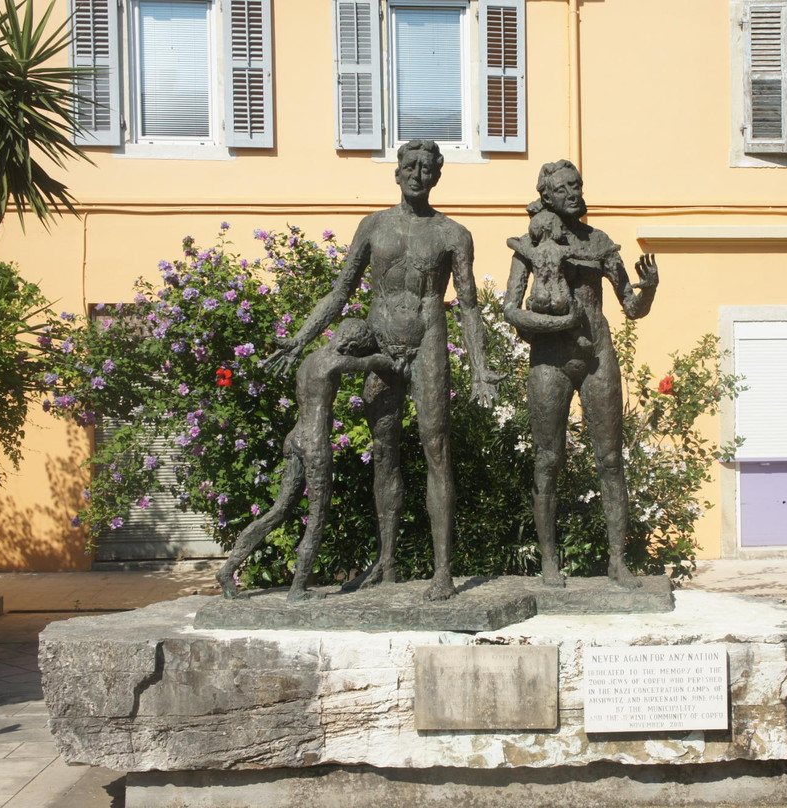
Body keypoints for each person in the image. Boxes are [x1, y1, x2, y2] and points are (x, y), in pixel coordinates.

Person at [255, 140, 499, 601]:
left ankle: (442, 572)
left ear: (437, 176)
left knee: (436, 449)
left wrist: (480, 368)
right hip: (381, 342)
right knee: (385, 454)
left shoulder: (453, 234)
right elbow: (340, 292)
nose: (417, 174)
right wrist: (300, 338)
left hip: (428, 344)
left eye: (427, 168)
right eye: (410, 166)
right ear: (397, 172)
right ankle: (387, 563)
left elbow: (468, 306)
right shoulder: (374, 226)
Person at [504, 159, 658, 588]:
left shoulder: (600, 242)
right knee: (548, 459)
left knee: (610, 460)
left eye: (578, 185)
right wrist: (555, 325)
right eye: (564, 188)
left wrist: (650, 289)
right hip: (550, 361)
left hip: (597, 356)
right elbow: (510, 309)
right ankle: (549, 563)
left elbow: (631, 307)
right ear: (547, 196)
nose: (574, 192)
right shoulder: (531, 242)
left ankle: (616, 560)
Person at [215, 319, 396, 601]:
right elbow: (376, 363)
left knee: (278, 510)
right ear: (349, 347)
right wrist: (395, 359)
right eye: (354, 351)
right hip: (314, 443)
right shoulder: (335, 362)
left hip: (295, 437)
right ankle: (297, 590)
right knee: (317, 518)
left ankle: (228, 569)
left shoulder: (311, 359)